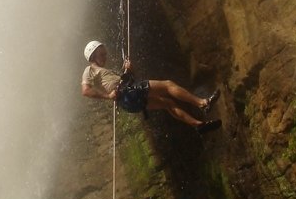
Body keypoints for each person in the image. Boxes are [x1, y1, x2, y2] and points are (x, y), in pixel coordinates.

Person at [81, 40, 221, 134]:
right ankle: (203, 103)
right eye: (102, 54)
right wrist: (107, 96)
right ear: (92, 55)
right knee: (167, 85)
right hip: (128, 93)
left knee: (168, 104)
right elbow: (85, 91)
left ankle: (197, 125)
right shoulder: (89, 70)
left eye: (105, 54)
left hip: (128, 102)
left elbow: (128, 81)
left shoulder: (105, 73)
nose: (105, 57)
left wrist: (129, 70)